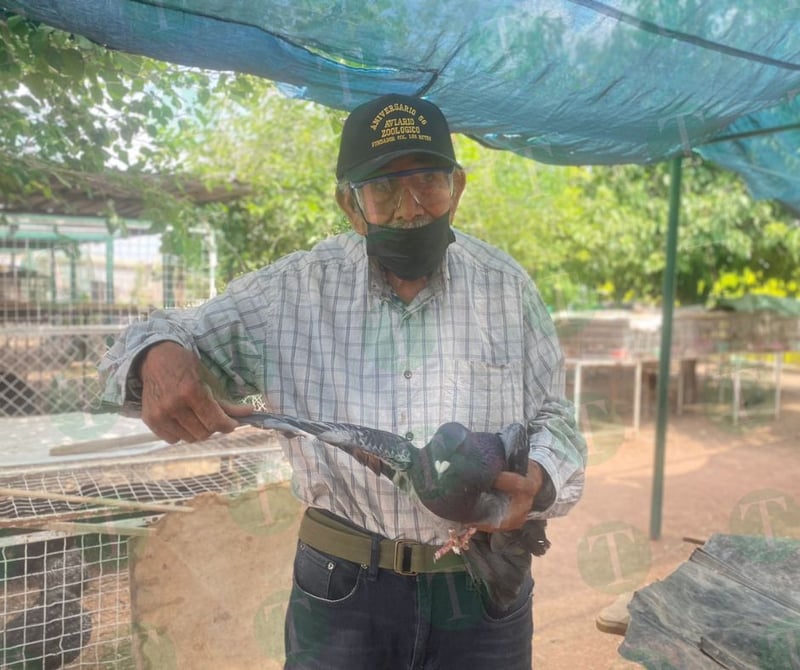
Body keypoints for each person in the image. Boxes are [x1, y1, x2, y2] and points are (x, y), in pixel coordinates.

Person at [100, 94, 587, 669]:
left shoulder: (506, 289)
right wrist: (157, 353)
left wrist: (541, 481)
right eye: (384, 188)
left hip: (482, 588)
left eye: (428, 182)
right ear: (350, 206)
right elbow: (150, 341)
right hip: (343, 593)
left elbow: (556, 417)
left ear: (457, 188)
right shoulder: (292, 294)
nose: (411, 208)